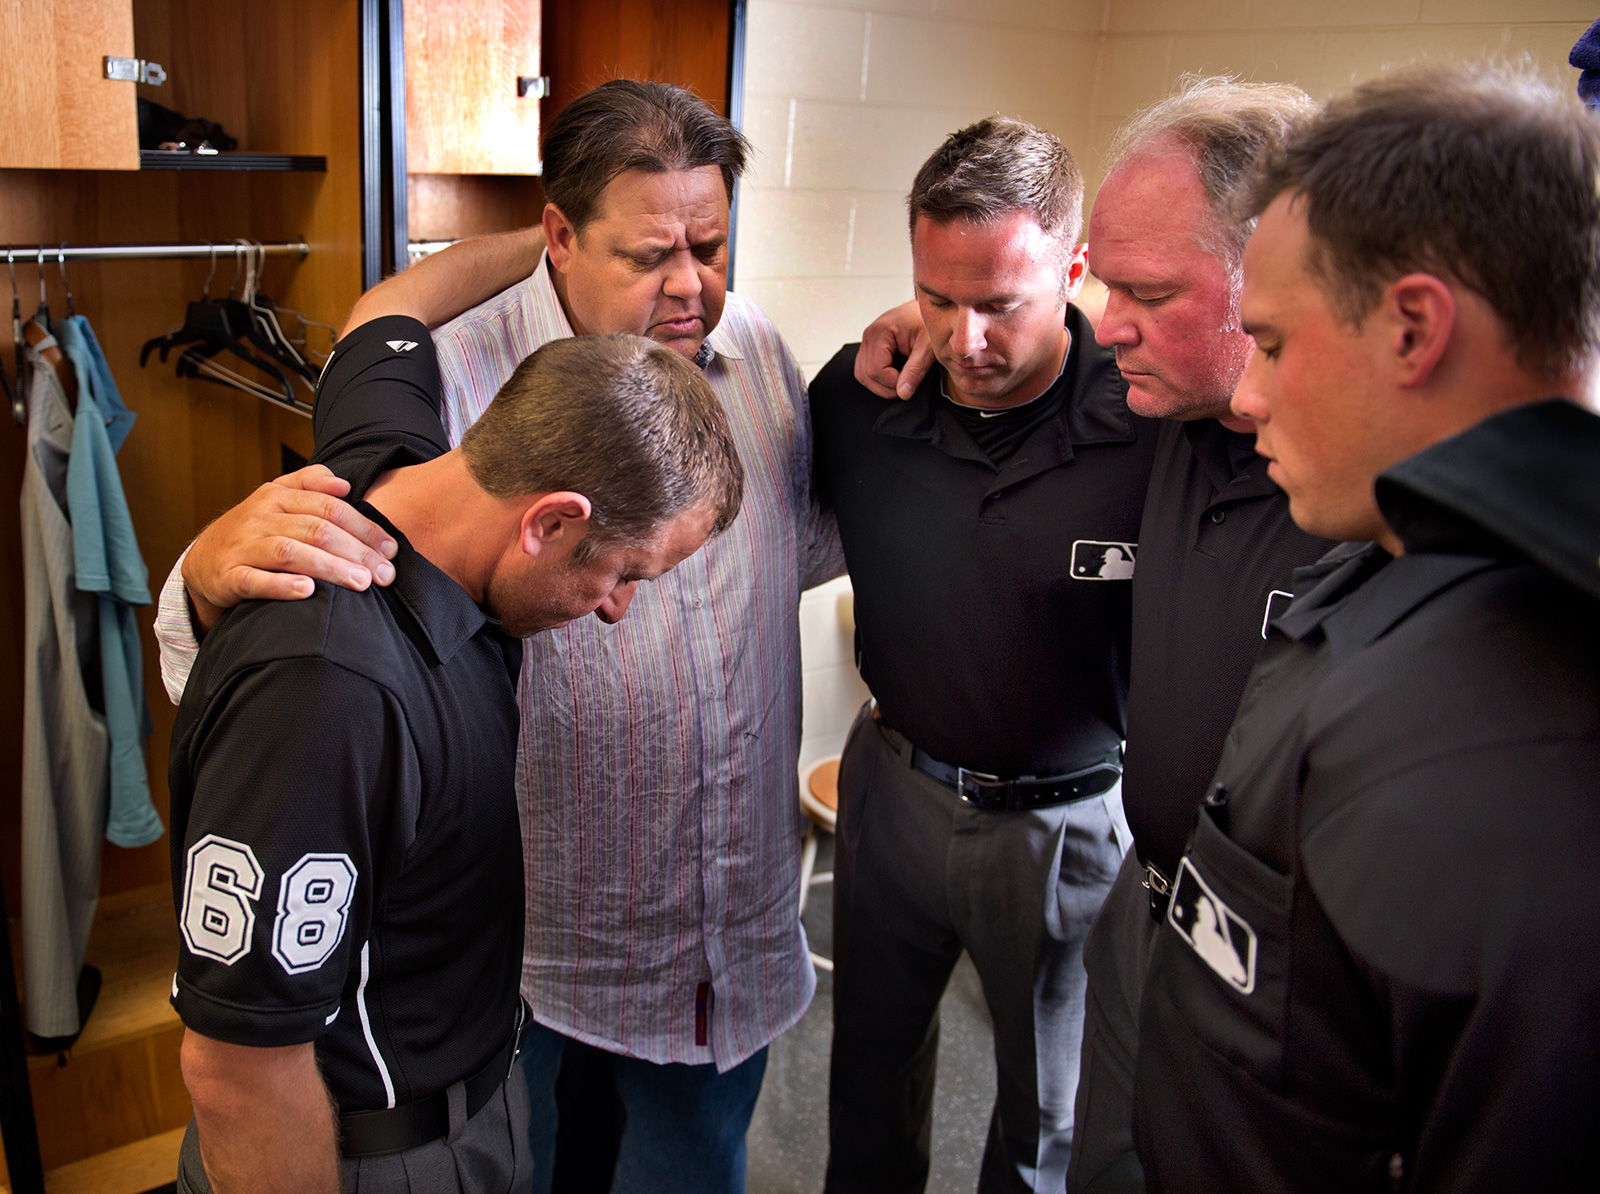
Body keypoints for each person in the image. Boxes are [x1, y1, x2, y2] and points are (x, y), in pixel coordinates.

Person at [153, 80, 841, 1193]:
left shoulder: (757, 356)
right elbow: (240, 1058)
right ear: (561, 236)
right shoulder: (454, 407)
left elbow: (806, 555)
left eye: (710, 244)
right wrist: (203, 581)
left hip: (720, 939)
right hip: (531, 974)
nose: (689, 284)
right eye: (646, 251)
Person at [854, 78, 1330, 1194]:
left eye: (1143, 289)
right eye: (1107, 285)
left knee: (1046, 1137)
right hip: (1138, 892)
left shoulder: (1346, 487)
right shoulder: (1161, 402)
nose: (1105, 322)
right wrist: (920, 313)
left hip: (1253, 947)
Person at [1134, 61, 1600, 1190]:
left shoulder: (1509, 736)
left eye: (1279, 346)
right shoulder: (1400, 563)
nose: (1248, 396)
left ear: (1411, 328)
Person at [812, 117, 1153, 1193]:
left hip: (1066, 824)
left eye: (999, 303)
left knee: (1044, 1121)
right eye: (936, 297)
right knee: (864, 1078)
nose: (964, 340)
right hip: (894, 791)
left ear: (1075, 269)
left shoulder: (1152, 424)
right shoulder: (859, 401)